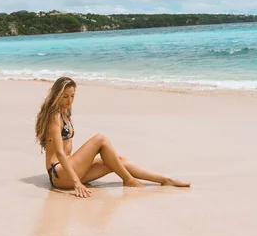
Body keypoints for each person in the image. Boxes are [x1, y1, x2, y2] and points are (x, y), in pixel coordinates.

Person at [35, 76, 191, 198]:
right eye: (65, 97)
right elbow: (60, 152)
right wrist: (77, 183)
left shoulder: (64, 113)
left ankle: (164, 179)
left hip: (68, 169)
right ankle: (129, 180)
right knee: (100, 139)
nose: (69, 100)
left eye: (72, 96)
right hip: (59, 174)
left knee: (116, 161)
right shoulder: (54, 116)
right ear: (57, 95)